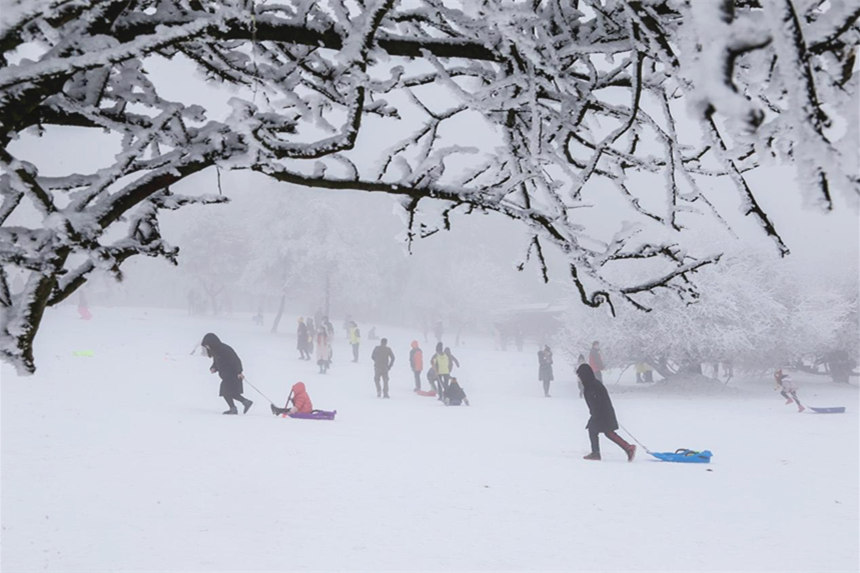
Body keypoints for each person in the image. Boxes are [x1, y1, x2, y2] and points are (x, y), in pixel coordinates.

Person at [576, 363, 635, 462]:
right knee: (607, 432)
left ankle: (596, 453)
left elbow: (597, 402)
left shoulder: (592, 386)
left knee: (596, 430)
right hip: (603, 413)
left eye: (580, 375)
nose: (579, 378)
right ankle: (627, 447)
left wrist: (595, 415)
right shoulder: (592, 384)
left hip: (601, 413)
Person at [201, 332, 253, 415]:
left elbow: (236, 360)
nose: (207, 347)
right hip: (227, 375)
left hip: (233, 374)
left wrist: (239, 372)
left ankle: (235, 408)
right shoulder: (216, 351)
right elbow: (217, 362)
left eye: (207, 345)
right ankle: (245, 402)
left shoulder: (224, 349)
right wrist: (214, 368)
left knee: (225, 392)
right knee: (232, 393)